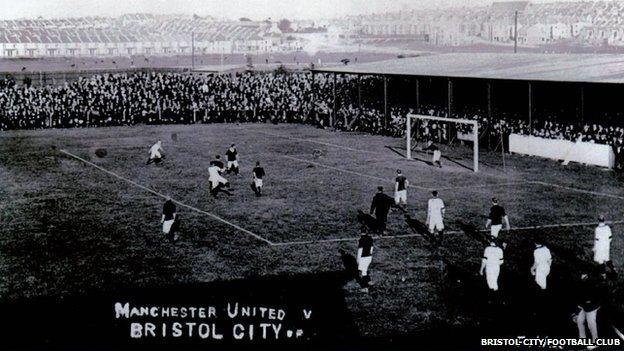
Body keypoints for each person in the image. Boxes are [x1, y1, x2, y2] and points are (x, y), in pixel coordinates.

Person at [357, 228, 374, 293]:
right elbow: (371, 249)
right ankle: (369, 282)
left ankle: (365, 287)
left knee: (362, 273)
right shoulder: (370, 239)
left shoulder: (361, 240)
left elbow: (360, 251)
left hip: (363, 258)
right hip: (369, 257)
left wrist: (358, 260)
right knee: (365, 271)